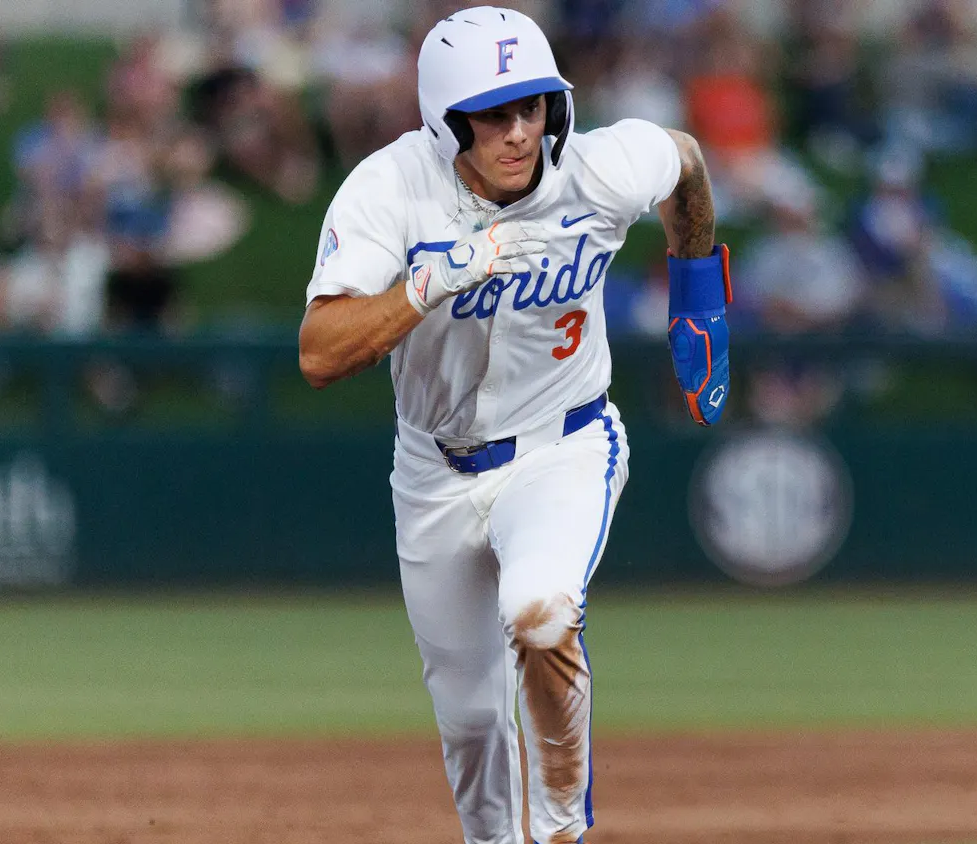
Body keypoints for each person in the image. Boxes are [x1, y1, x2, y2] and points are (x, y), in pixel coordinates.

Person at [296, 8, 730, 844]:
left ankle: (562, 828)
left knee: (540, 612)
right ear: (445, 122)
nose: (519, 130)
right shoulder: (390, 190)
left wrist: (698, 297)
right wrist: (426, 286)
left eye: (532, 106)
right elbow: (318, 352)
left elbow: (684, 160)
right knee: (468, 721)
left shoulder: (599, 169)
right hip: (434, 470)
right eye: (494, 114)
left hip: (564, 445)